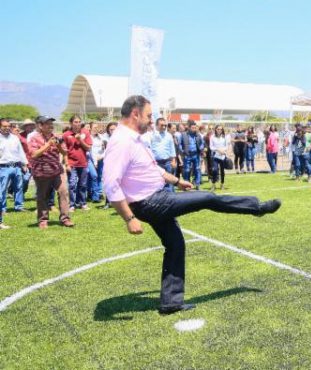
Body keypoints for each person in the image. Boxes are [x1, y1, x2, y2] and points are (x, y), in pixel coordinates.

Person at [103, 95, 282, 315]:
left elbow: (150, 169)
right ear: (135, 114)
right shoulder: (121, 141)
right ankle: (257, 208)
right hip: (151, 202)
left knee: (176, 244)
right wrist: (129, 219)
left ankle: (170, 302)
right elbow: (111, 185)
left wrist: (177, 181)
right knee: (207, 198)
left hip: (155, 197)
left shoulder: (134, 138)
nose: (152, 120)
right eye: (149, 116)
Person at [28, 116, 74, 229]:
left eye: (51, 123)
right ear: (40, 126)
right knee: (42, 196)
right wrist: (48, 145)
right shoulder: (34, 138)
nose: (51, 126)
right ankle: (43, 220)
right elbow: (34, 154)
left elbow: (64, 153)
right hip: (41, 172)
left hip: (57, 171)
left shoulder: (57, 137)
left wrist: (58, 145)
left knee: (63, 192)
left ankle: (65, 218)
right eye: (47, 123)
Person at [0, 119, 29, 228]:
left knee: (19, 187)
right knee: (2, 190)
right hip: (3, 167)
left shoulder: (14, 138)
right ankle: (3, 209)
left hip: (16, 166)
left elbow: (20, 151)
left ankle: (19, 206)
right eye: (4, 126)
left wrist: (24, 163)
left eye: (9, 126)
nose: (7, 128)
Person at [62, 116, 93, 211]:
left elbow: (88, 148)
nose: (78, 123)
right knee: (72, 184)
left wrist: (80, 140)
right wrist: (66, 164)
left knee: (83, 184)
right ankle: (71, 205)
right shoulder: (66, 135)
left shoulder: (85, 133)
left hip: (83, 163)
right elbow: (64, 151)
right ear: (71, 123)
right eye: (76, 122)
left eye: (79, 122)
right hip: (71, 163)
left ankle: (82, 203)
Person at [150, 118, 177, 192]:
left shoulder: (168, 135)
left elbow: (172, 148)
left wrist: (173, 161)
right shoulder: (151, 135)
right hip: (156, 163)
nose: (164, 127)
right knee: (157, 182)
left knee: (169, 182)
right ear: (156, 125)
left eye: (165, 125)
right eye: (162, 125)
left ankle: (171, 198)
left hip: (167, 162)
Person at [181, 120, 205, 190]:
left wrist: (201, 148)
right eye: (193, 128)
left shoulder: (198, 135)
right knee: (187, 170)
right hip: (187, 155)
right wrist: (183, 151)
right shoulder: (183, 135)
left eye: (195, 127)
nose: (194, 129)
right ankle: (187, 184)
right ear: (189, 128)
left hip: (196, 155)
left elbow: (202, 143)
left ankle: (197, 184)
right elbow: (179, 144)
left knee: (197, 169)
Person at [209, 125, 229, 191]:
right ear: (215, 129)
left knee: (222, 171)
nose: (219, 130)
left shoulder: (224, 137)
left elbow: (227, 146)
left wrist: (223, 150)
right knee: (214, 170)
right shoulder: (212, 137)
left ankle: (222, 184)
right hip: (215, 156)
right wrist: (218, 149)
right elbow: (211, 147)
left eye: (220, 129)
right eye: (218, 129)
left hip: (222, 156)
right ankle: (213, 184)